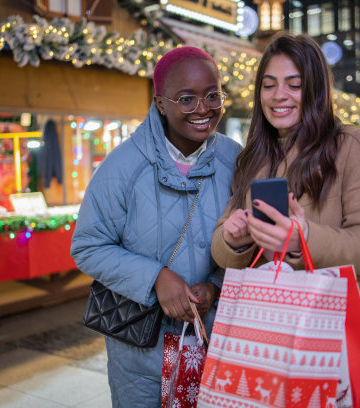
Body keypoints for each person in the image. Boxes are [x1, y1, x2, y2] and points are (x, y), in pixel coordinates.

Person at [210, 33, 360, 405]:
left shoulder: (353, 146)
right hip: (265, 330)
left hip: (333, 331)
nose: (279, 96)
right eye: (269, 85)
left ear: (316, 90)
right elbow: (222, 248)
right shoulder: (254, 157)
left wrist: (303, 238)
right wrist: (234, 236)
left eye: (294, 85)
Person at [70, 46, 242, 407]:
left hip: (217, 337)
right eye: (186, 98)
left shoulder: (236, 161)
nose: (203, 109)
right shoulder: (122, 166)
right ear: (161, 103)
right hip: (139, 348)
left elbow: (251, 244)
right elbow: (87, 246)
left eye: (213, 95)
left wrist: (215, 285)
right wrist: (155, 278)